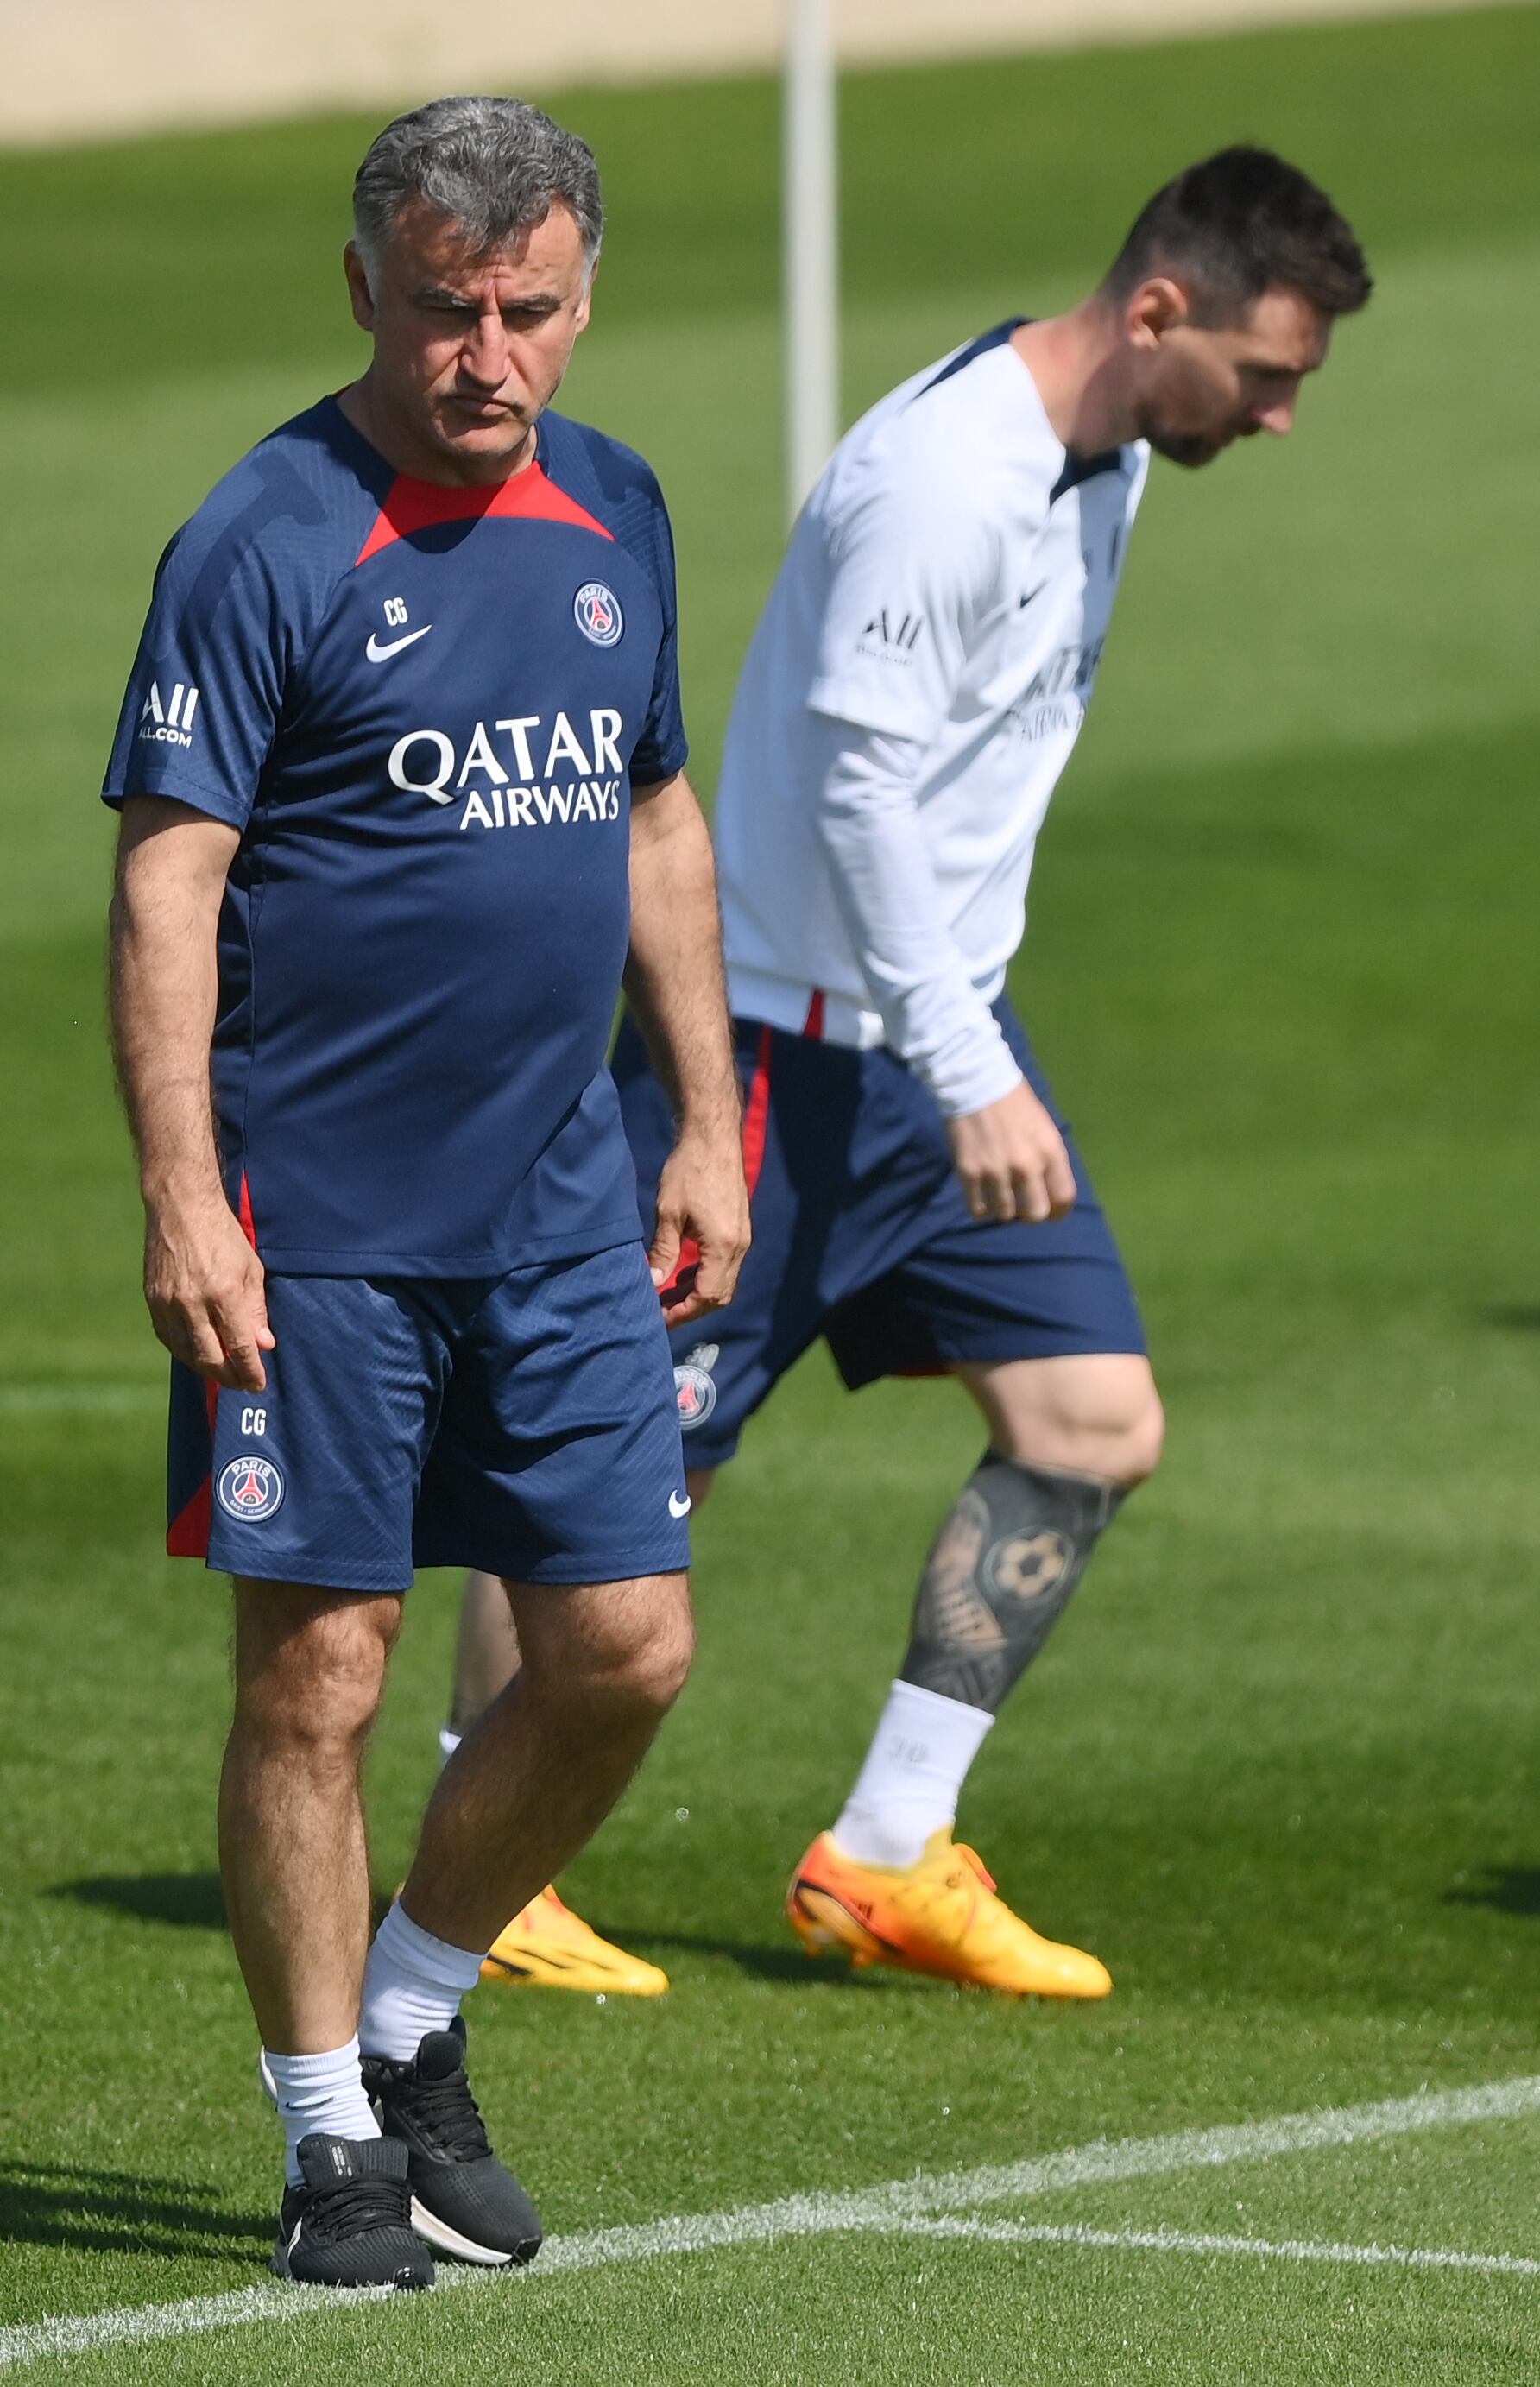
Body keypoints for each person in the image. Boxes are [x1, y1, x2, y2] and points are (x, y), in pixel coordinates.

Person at [448, 147, 1371, 2001]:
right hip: (789, 1054)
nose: (1277, 420)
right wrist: (968, 1063)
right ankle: (494, 1853)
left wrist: (959, 1041)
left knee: (1090, 1425)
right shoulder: (943, 485)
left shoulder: (1099, 462)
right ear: (1157, 312)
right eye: (1267, 377)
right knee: (617, 1471)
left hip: (936, 1039)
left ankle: (881, 1858)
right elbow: (856, 789)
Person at [104, 95, 748, 2291]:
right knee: (326, 1681)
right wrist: (189, 1196)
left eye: (532, 310)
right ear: (363, 284)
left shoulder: (619, 508)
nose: (492, 354)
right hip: (325, 1228)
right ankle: (323, 2149)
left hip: (565, 1201)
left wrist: (704, 1120)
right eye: (451, 309)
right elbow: (168, 885)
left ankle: (408, 2019)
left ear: (582, 296)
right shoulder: (267, 537)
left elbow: (656, 821)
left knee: (628, 1654)